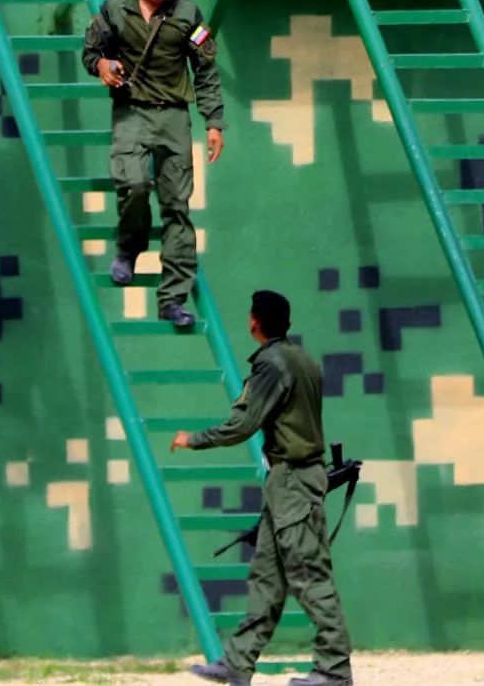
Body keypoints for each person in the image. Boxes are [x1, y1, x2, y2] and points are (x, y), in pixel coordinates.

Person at [174, 289, 353, 686]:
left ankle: (334, 672)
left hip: (293, 481)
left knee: (310, 576)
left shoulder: (272, 364)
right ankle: (238, 663)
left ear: (255, 321)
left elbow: (242, 425)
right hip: (290, 482)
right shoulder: (301, 359)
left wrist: (195, 439)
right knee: (267, 577)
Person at [82, 0, 224, 329]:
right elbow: (91, 52)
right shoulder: (114, 10)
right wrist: (103, 66)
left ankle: (173, 297)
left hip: (174, 117)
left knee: (177, 206)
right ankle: (129, 249)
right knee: (133, 185)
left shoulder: (188, 14)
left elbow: (207, 68)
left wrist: (213, 122)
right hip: (131, 112)